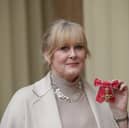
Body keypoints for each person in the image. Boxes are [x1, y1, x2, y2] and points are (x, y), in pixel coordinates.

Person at [0, 19, 128, 128]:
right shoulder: (24, 100)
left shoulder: (102, 99)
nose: (73, 54)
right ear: (47, 55)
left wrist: (120, 113)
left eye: (78, 47)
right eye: (64, 48)